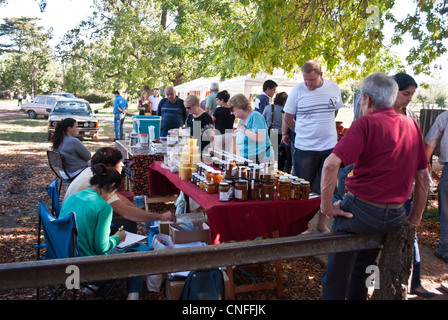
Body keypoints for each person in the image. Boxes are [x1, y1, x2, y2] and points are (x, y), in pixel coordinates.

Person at [319, 72, 430, 300]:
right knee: (366, 267)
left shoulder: (365, 123)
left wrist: (327, 206)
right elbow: (423, 177)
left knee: (337, 274)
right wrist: (415, 217)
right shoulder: (412, 125)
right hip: (397, 214)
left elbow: (330, 164)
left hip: (362, 212)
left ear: (367, 99)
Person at [60, 163, 142, 300]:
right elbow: (101, 247)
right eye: (114, 193)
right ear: (111, 187)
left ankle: (94, 286)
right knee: (133, 250)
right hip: (87, 265)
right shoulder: (103, 207)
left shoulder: (74, 197)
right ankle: (133, 294)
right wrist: (118, 237)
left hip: (63, 256)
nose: (112, 197)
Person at [390, 73, 435, 298]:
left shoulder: (412, 118)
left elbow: (417, 157)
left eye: (412, 95)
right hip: (383, 192)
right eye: (405, 93)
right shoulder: (377, 114)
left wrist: (416, 181)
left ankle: (414, 282)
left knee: (410, 237)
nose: (408, 98)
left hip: (405, 189)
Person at [63, 147, 176, 233]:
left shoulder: (94, 173)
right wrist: (159, 217)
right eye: (119, 162)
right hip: (76, 230)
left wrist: (145, 215)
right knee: (128, 222)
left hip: (71, 221)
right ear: (109, 166)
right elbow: (126, 213)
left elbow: (118, 197)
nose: (122, 164)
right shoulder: (100, 183)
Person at [284, 60, 343, 194]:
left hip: (329, 147)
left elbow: (335, 110)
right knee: (301, 190)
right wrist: (300, 131)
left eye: (311, 80)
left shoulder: (333, 87)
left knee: (327, 189)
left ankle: (324, 214)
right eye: (305, 80)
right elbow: (288, 117)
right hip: (305, 148)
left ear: (321, 74)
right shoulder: (297, 90)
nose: (308, 83)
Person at [425, 111, 448, 264]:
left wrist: (425, 165)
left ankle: (446, 248)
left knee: (446, 210)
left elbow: (430, 143)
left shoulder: (445, 117)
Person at [228, 93, 272, 164]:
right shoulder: (242, 120)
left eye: (232, 109)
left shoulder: (256, 116)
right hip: (247, 158)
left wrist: (243, 130)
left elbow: (260, 139)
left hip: (259, 159)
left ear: (239, 106)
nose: (231, 113)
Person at [262, 92, 290, 172]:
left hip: (271, 133)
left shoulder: (268, 108)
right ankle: (280, 174)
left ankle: (267, 174)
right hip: (283, 135)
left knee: (269, 158)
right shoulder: (286, 110)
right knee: (281, 158)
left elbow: (262, 119)